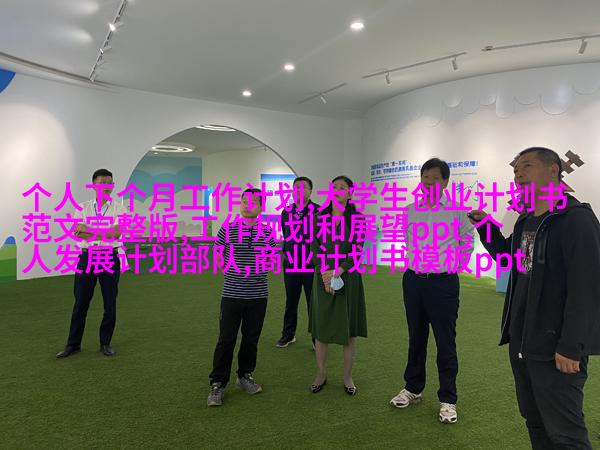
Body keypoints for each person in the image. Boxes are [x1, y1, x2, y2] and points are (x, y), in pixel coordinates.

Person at [469, 147, 600, 448]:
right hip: (523, 341)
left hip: (556, 349)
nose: (518, 174)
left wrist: (571, 346)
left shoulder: (576, 220)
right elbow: (508, 258)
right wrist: (485, 225)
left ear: (553, 170)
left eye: (527, 166)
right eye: (516, 170)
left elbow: (587, 288)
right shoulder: (526, 220)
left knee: (565, 433)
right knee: (535, 420)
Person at [389, 158, 474, 424]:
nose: (428, 183)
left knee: (445, 341)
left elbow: (467, 239)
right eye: (425, 178)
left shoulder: (457, 210)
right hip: (413, 281)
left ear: (445, 182)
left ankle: (448, 399)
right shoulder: (409, 210)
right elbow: (408, 240)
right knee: (416, 337)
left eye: (435, 178)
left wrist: (454, 266)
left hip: (443, 284)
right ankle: (413, 387)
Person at [207, 188, 278, 407]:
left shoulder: (267, 232)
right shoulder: (227, 229)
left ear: (261, 207)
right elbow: (217, 254)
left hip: (258, 296)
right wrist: (231, 270)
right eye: (244, 201)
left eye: (253, 202)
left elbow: (272, 259)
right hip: (232, 294)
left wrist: (259, 268)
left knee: (251, 338)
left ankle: (244, 376)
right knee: (226, 339)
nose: (248, 205)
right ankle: (218, 383)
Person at [56, 168, 127, 358]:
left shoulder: (120, 209)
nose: (107, 186)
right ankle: (73, 345)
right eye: (102, 182)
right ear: (94, 185)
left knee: (109, 303)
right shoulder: (82, 207)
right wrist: (104, 231)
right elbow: (78, 232)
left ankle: (105, 343)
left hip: (109, 258)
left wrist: (90, 230)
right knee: (80, 302)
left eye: (110, 183)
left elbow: (116, 234)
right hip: (87, 257)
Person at [309, 175, 367, 396]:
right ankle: (321, 374)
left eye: (342, 187)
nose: (337, 190)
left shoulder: (358, 219)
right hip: (322, 277)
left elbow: (357, 249)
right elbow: (314, 247)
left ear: (350, 192)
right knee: (321, 329)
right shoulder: (319, 217)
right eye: (334, 187)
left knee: (349, 331)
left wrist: (339, 270)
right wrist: (325, 273)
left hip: (348, 278)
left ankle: (347, 377)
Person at [277, 176, 320, 348]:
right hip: (291, 264)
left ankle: (317, 338)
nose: (299, 191)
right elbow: (287, 235)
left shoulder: (319, 211)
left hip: (312, 265)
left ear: (311, 191)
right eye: (296, 188)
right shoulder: (286, 212)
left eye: (303, 188)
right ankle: (288, 335)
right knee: (291, 301)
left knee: (313, 303)